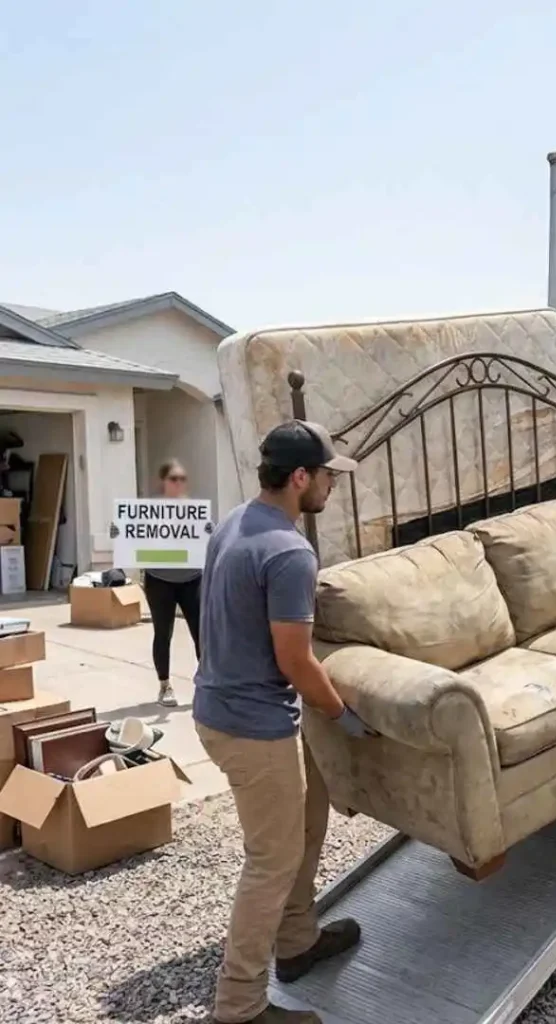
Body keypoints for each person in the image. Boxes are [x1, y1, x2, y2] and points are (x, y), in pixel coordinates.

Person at [193, 420, 377, 1024]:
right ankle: (239, 1006)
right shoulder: (291, 552)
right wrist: (343, 715)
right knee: (270, 862)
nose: (332, 485)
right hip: (251, 725)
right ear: (300, 477)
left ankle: (296, 941)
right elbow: (295, 660)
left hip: (222, 708)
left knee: (305, 824)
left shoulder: (234, 523)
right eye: (327, 475)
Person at [144, 459, 202, 707]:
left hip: (192, 580)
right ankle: (164, 686)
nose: (179, 483)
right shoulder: (148, 512)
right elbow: (137, 543)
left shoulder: (196, 511)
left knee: (202, 633)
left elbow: (206, 541)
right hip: (160, 581)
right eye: (173, 479)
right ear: (163, 482)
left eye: (182, 479)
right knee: (163, 633)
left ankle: (207, 684)